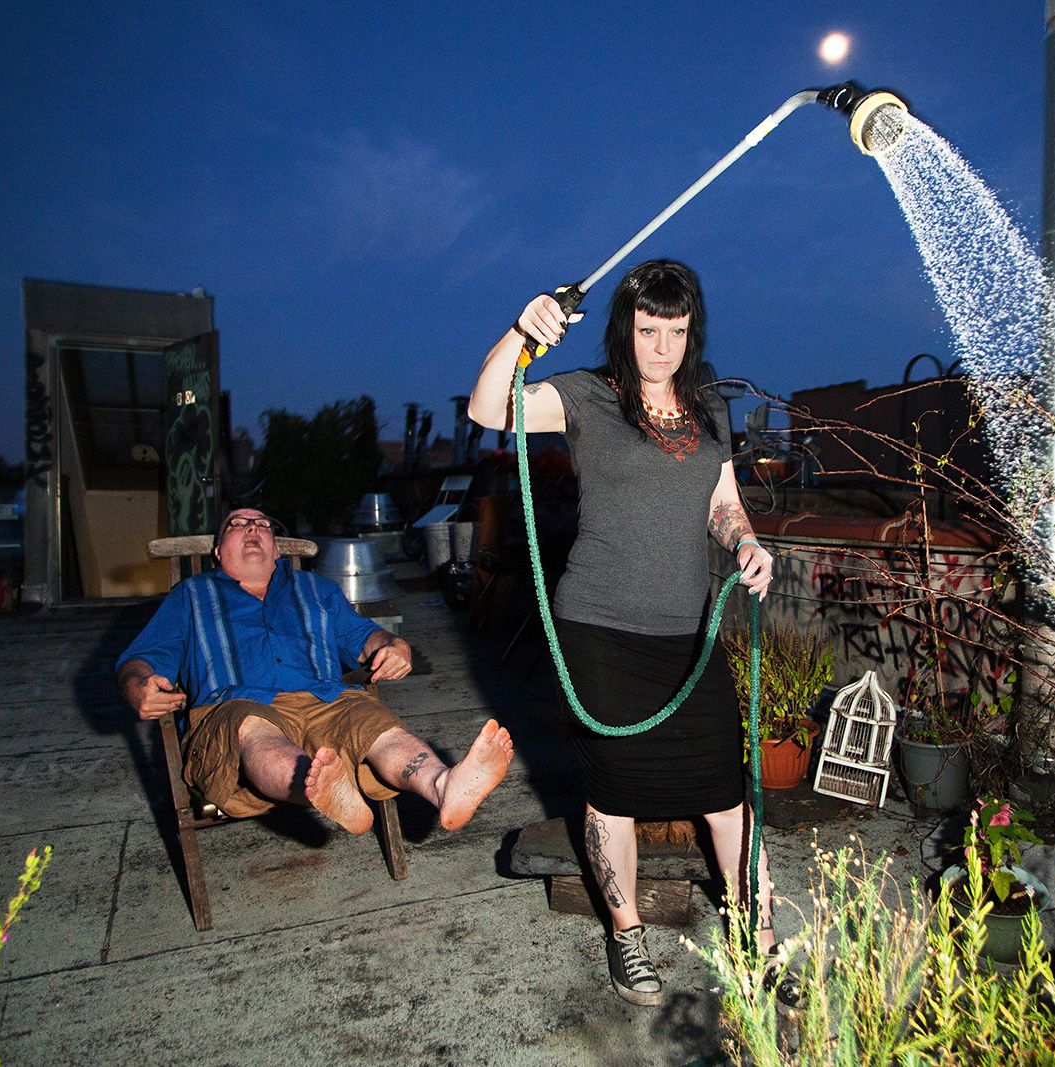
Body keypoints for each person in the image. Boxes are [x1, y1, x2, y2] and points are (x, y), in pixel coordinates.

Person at [468, 260, 780, 1007]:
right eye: (648, 330)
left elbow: (722, 498)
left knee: (726, 794)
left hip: (687, 631)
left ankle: (761, 940)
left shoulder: (708, 404)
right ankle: (627, 932)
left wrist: (744, 542)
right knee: (614, 793)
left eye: (676, 331)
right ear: (624, 328)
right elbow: (487, 407)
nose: (663, 348)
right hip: (600, 628)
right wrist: (521, 330)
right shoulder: (587, 395)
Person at [116, 506, 513, 839]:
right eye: (238, 524)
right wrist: (139, 687)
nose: (252, 527)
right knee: (252, 725)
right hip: (234, 707)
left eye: (263, 525)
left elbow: (365, 637)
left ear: (275, 548)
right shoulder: (192, 596)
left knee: (371, 720)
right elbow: (139, 661)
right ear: (219, 551)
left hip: (326, 701)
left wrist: (395, 647)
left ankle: (444, 786)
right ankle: (319, 783)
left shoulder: (317, 590)